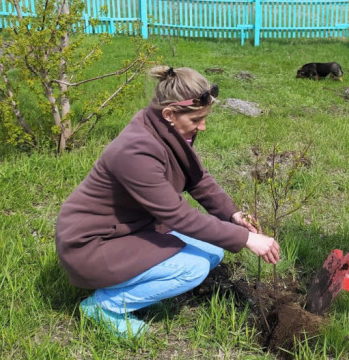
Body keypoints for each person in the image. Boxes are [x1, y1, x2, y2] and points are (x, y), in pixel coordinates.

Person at [55, 66, 280, 338]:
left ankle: (135, 287)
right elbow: (179, 217)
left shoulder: (166, 131)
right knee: (193, 268)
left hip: (128, 230)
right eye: (197, 119)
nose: (203, 126)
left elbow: (197, 179)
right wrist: (245, 239)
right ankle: (104, 307)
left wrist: (234, 215)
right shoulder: (136, 150)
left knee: (213, 251)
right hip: (91, 245)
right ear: (170, 114)